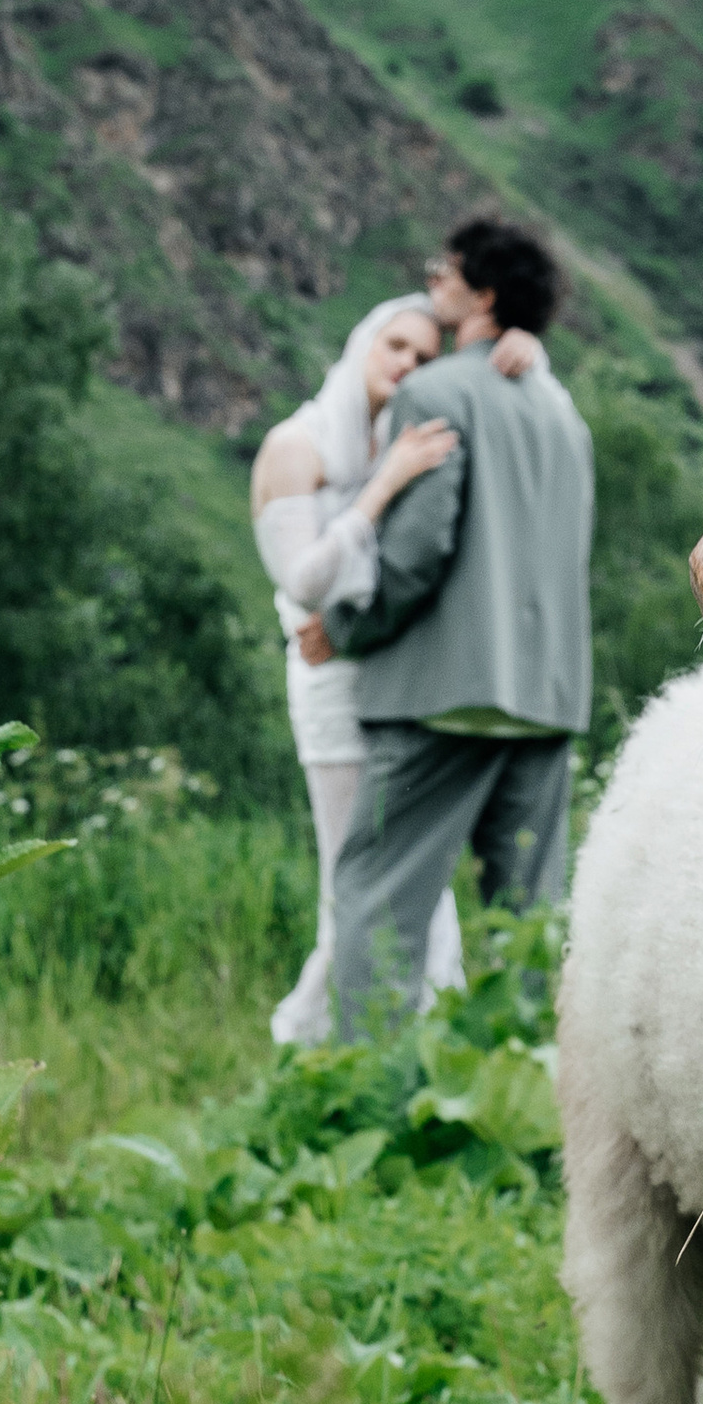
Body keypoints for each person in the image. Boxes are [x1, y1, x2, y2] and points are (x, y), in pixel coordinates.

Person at [322, 217, 595, 1038]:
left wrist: (345, 624)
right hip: (545, 696)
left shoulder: (434, 393)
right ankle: (532, 1095)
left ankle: (361, 1092)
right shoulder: (562, 410)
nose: (432, 276)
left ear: (482, 293)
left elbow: (415, 551)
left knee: (379, 892)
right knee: (528, 917)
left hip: (441, 689)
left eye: (447, 268)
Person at [250, 293, 543, 1045]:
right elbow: (304, 580)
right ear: (361, 345)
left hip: (391, 677)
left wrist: (527, 356)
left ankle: (392, 1040)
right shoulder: (298, 444)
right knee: (357, 882)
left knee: (407, 874)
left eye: (422, 355)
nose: (407, 363)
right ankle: (323, 1040)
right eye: (396, 347)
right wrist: (384, 486)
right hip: (331, 686)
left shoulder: (395, 439)